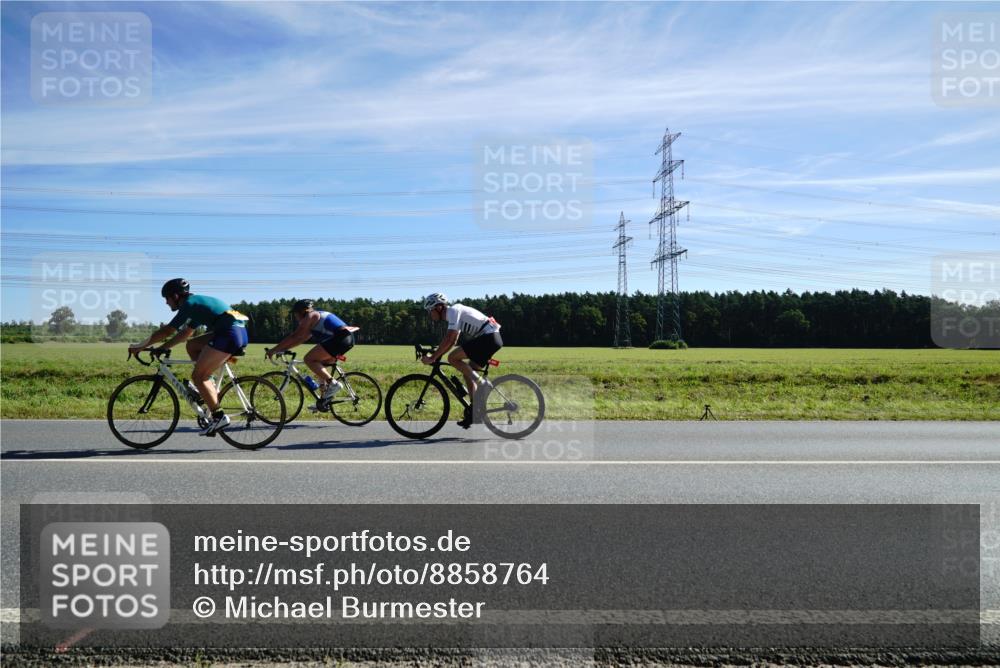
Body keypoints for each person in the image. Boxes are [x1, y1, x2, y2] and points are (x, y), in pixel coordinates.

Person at [128, 278, 249, 436]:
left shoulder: (189, 305)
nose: (166, 303)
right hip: (236, 332)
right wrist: (163, 348)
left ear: (176, 296)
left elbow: (168, 331)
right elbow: (185, 333)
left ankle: (219, 416)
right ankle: (208, 386)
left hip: (229, 334)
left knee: (198, 377)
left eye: (167, 299)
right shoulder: (196, 304)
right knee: (192, 345)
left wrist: (140, 346)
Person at [421, 292, 502, 428]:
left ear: (439, 307)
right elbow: (453, 341)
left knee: (452, 358)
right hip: (492, 339)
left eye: (430, 310)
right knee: (467, 371)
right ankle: (475, 411)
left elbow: (449, 338)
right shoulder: (454, 314)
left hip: (489, 338)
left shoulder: (453, 311)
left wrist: (433, 358)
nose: (430, 314)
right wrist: (437, 353)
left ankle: (482, 383)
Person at [265, 299, 355, 407]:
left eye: (296, 314)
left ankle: (334, 384)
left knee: (309, 359)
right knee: (319, 367)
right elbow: (300, 339)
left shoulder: (311, 316)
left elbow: (295, 336)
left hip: (340, 339)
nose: (295, 317)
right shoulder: (315, 318)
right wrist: (282, 349)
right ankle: (323, 401)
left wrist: (274, 349)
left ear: (302, 311)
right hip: (346, 340)